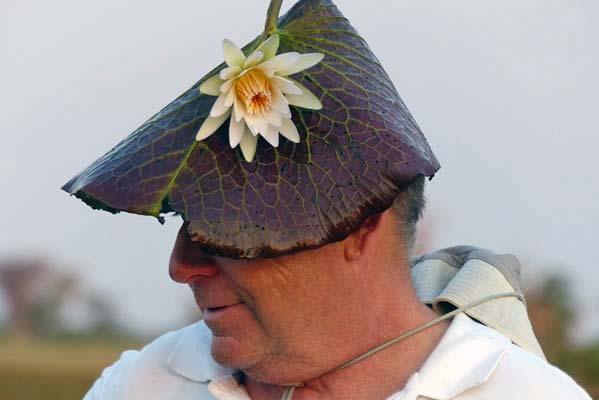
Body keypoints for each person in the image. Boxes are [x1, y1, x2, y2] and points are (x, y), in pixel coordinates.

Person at [62, 0, 591, 398]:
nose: (182, 267)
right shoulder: (141, 386)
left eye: (234, 227)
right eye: (189, 220)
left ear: (362, 221)